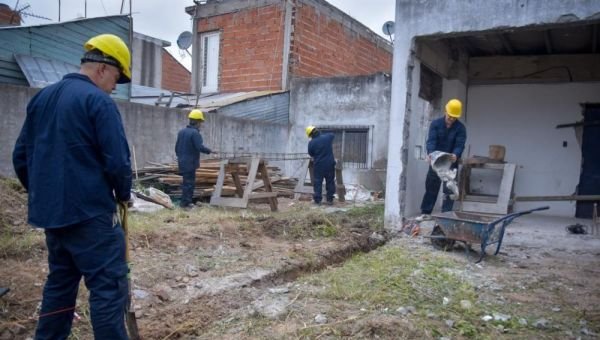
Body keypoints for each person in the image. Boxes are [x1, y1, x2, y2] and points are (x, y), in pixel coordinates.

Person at [12, 34, 133, 339]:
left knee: (60, 286)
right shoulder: (98, 102)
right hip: (91, 216)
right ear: (103, 69)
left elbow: (20, 157)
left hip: (53, 216)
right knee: (107, 288)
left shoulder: (42, 98)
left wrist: (45, 194)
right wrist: (123, 195)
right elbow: (117, 160)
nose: (115, 86)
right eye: (117, 77)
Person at [419, 98, 467, 216]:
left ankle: (446, 216)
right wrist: (430, 153)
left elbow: (460, 145)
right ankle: (425, 213)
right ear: (446, 111)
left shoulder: (461, 129)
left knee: (449, 191)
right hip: (436, 162)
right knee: (431, 189)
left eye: (454, 117)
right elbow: (431, 141)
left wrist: (456, 154)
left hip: (451, 163)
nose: (451, 119)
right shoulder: (435, 124)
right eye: (450, 116)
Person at [175, 109, 212, 208]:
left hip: (182, 162)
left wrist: (181, 157)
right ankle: (187, 204)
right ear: (197, 122)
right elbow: (199, 147)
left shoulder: (181, 132)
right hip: (190, 163)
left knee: (186, 183)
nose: (201, 124)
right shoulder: (195, 133)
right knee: (189, 183)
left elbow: (176, 148)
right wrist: (209, 151)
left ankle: (184, 203)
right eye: (200, 122)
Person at [306, 126, 336, 205]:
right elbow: (333, 135)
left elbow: (311, 153)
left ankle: (318, 200)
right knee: (330, 181)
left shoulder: (311, 143)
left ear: (310, 135)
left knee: (318, 182)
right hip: (330, 164)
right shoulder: (327, 137)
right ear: (317, 131)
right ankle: (330, 200)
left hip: (319, 165)